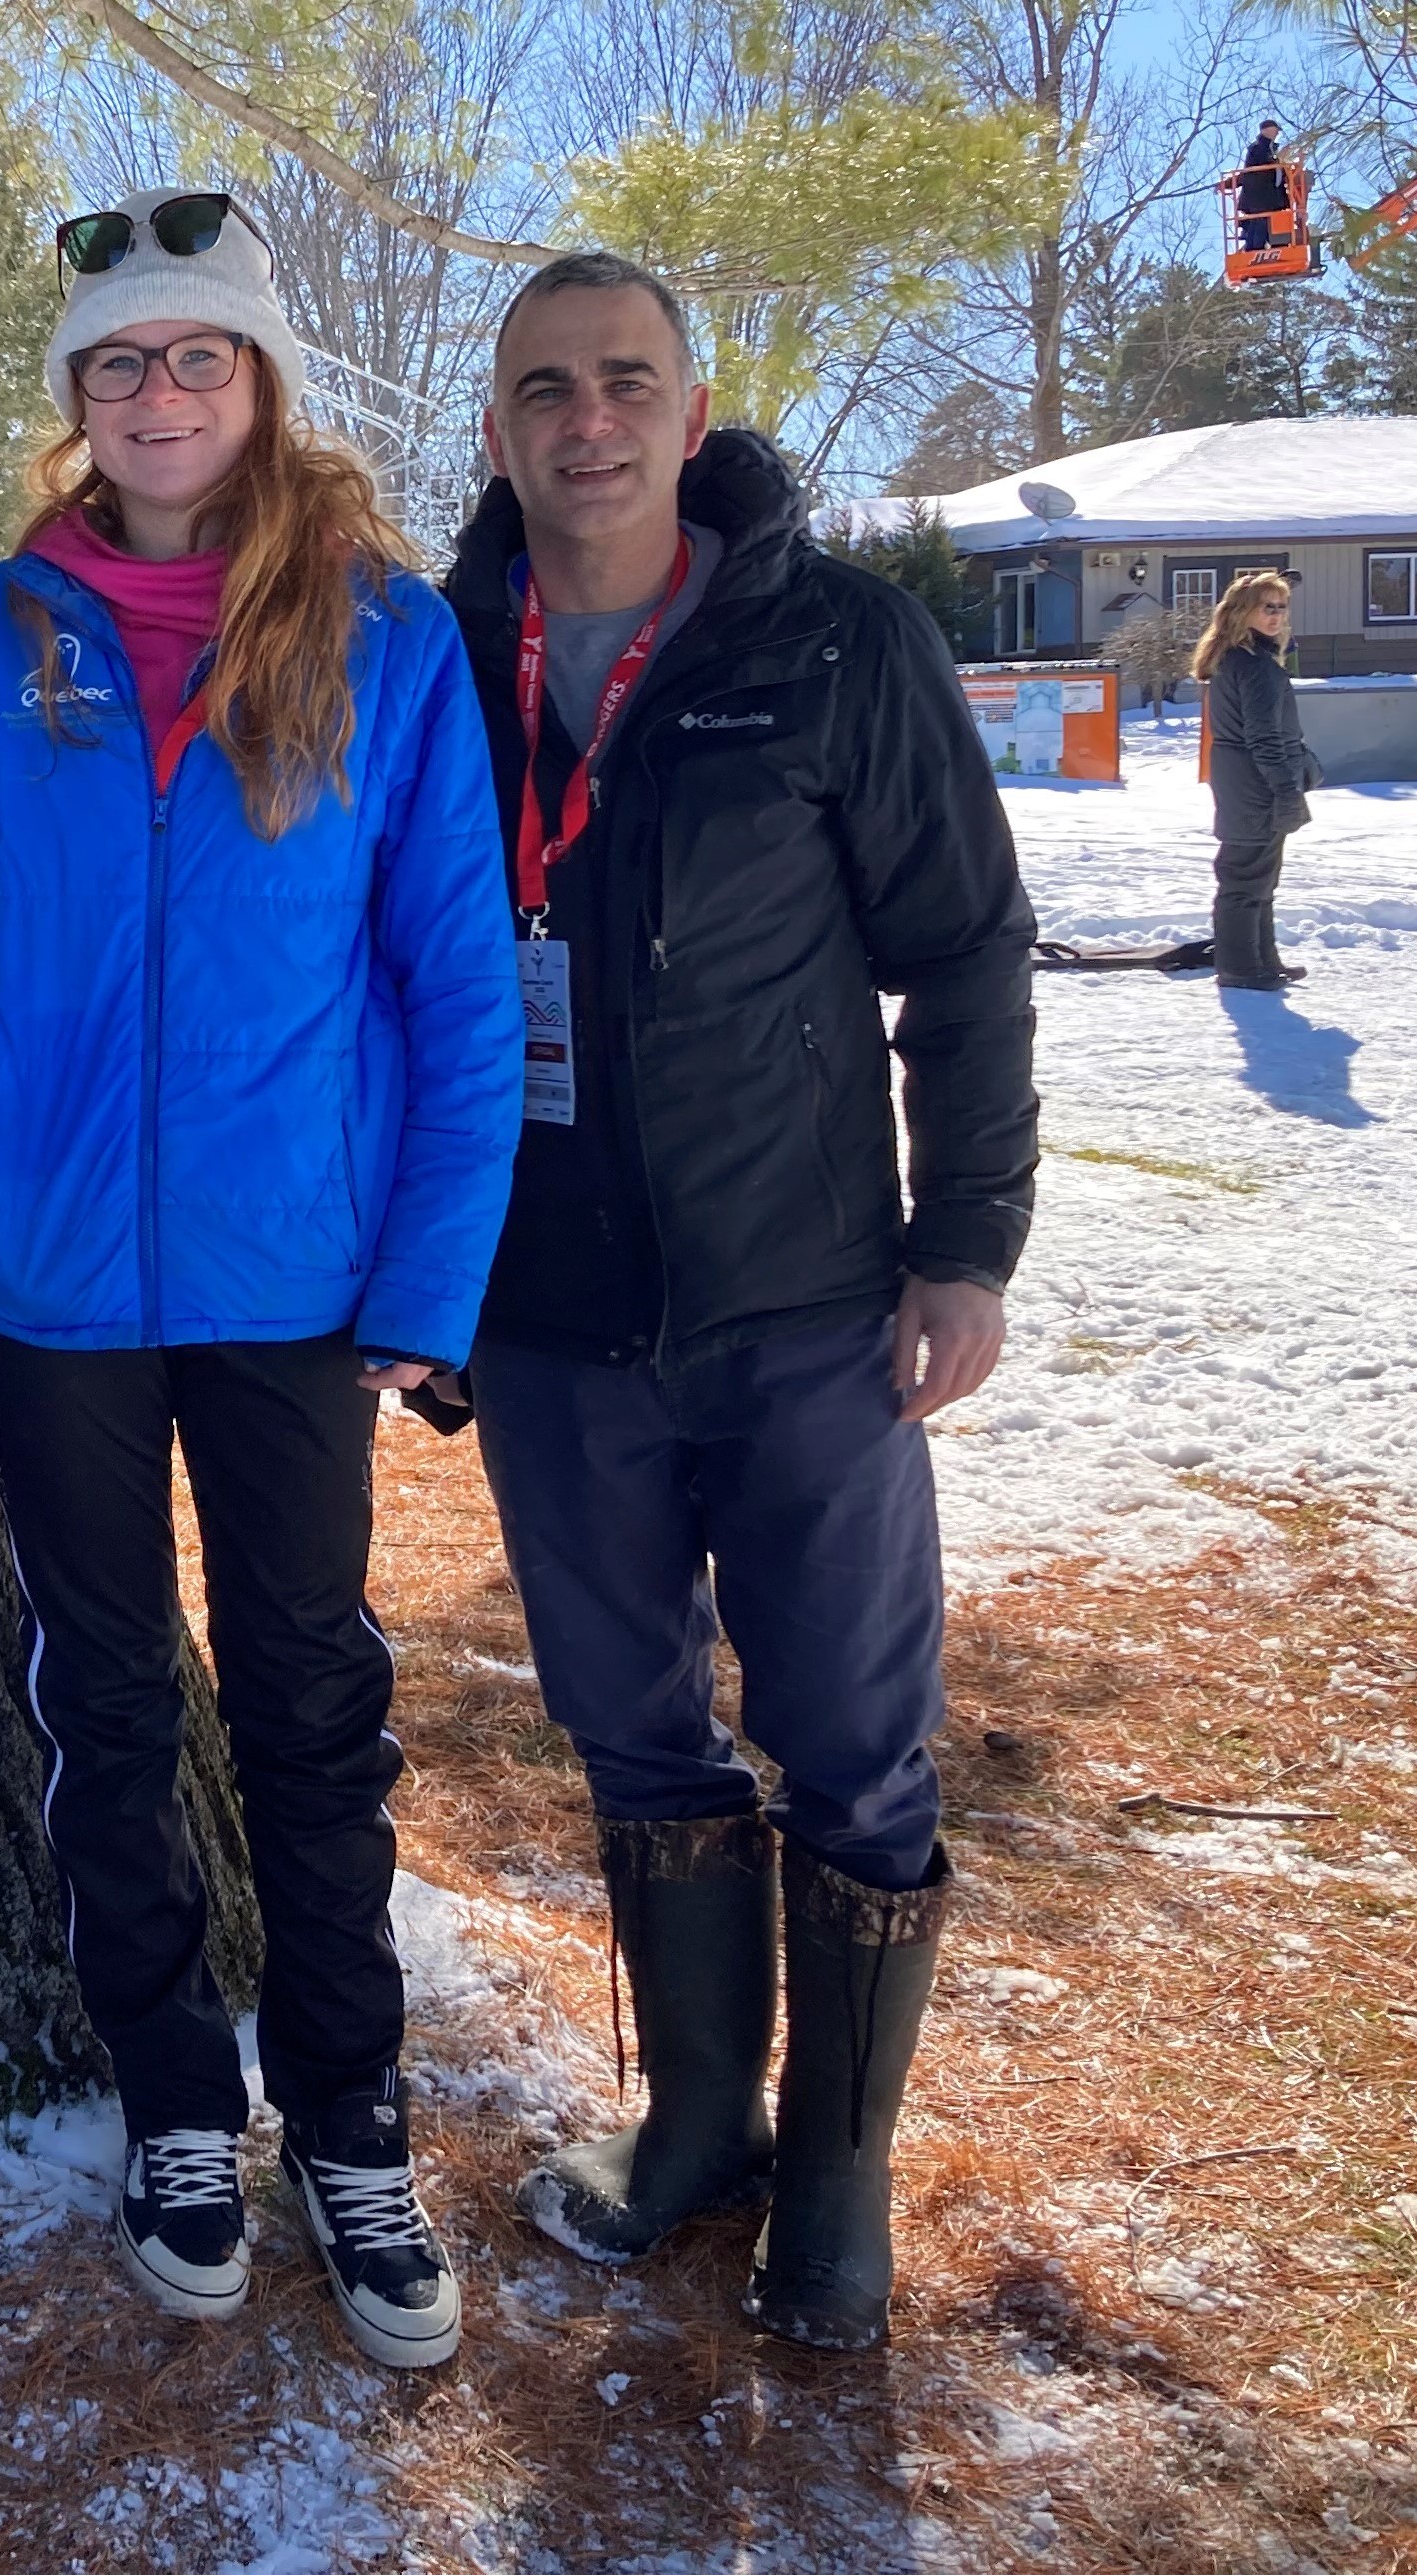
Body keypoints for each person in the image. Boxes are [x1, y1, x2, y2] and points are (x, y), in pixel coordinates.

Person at [0, 186, 522, 2372]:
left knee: (304, 1711)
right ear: (72, 403)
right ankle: (177, 2104)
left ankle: (348, 2122)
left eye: (193, 356)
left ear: (258, 383)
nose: (154, 393)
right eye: (113, 363)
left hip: (292, 1283)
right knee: (98, 1702)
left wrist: (426, 1282)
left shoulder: (387, 637)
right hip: (45, 1282)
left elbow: (454, 985)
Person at [433, 250, 1037, 2354]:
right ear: (491, 426)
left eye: (621, 383)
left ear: (689, 413)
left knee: (853, 1749)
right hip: (545, 1317)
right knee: (629, 1731)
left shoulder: (827, 641)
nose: (581, 422)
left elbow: (958, 955)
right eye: (539, 390)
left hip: (802, 1304)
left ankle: (837, 2178)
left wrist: (963, 1244)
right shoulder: (437, 662)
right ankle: (694, 2119)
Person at [1193, 570, 1314, 990]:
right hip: (1254, 782)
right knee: (1246, 876)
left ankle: (1262, 960)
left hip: (1241, 777)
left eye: (1281, 608)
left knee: (1258, 874)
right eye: (1268, 608)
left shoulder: (1237, 659)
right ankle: (1242, 966)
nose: (1277, 616)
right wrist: (1285, 788)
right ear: (1244, 612)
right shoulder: (1254, 666)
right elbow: (1264, 736)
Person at [1235, 121, 1292, 251]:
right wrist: (1278, 159)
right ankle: (1254, 252)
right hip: (1260, 200)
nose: (1277, 133)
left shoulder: (1270, 148)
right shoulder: (1258, 147)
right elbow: (1261, 165)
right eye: (1275, 129)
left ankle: (1277, 248)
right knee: (1259, 228)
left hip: (1271, 200)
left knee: (1273, 227)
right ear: (1266, 130)